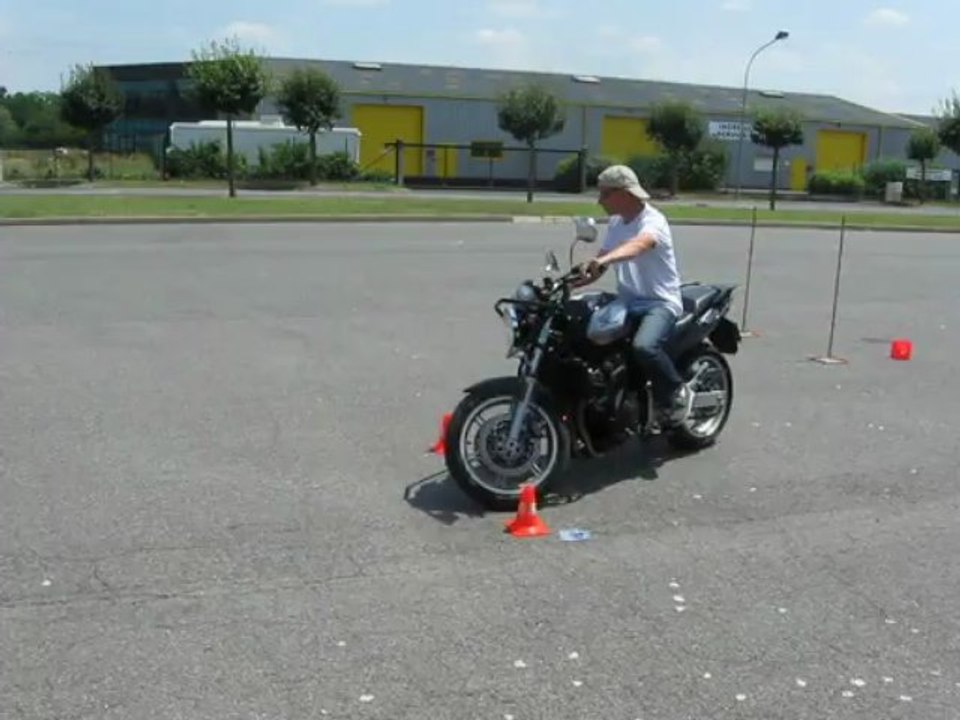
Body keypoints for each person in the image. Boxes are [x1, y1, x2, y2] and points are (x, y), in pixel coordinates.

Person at [575, 164, 693, 426]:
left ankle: (675, 392)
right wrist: (573, 282)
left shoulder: (653, 221)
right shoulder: (617, 222)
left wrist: (606, 258)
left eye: (605, 194)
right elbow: (602, 260)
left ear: (624, 193)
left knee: (644, 347)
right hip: (627, 301)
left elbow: (640, 245)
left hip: (659, 303)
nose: (600, 200)